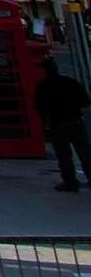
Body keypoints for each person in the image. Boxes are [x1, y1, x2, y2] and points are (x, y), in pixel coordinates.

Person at [40, 62, 91, 193]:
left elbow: (40, 108)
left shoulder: (43, 86)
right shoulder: (70, 82)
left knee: (64, 156)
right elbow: (85, 101)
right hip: (76, 121)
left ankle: (70, 183)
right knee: (85, 153)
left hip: (57, 123)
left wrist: (45, 125)